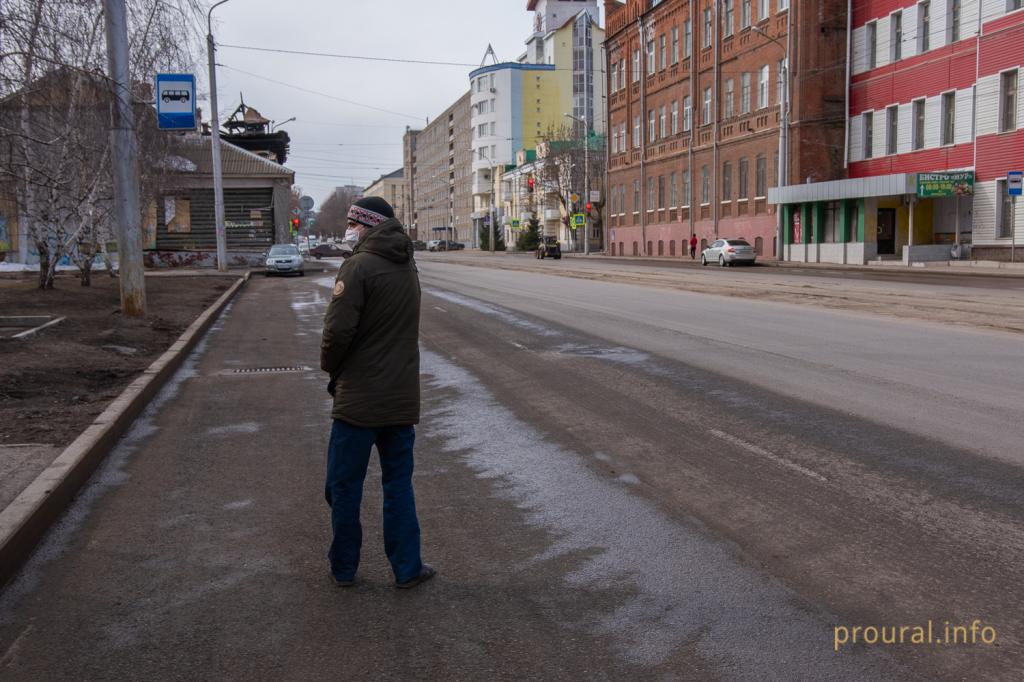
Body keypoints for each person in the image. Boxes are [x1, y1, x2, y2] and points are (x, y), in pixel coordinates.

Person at [320, 196, 435, 589]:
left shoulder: (358, 267)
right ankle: (408, 568)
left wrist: (332, 369)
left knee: (343, 485)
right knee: (398, 484)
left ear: (365, 225)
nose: (349, 229)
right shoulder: (408, 264)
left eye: (353, 223)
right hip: (401, 398)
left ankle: (344, 567)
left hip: (358, 401)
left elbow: (337, 333)